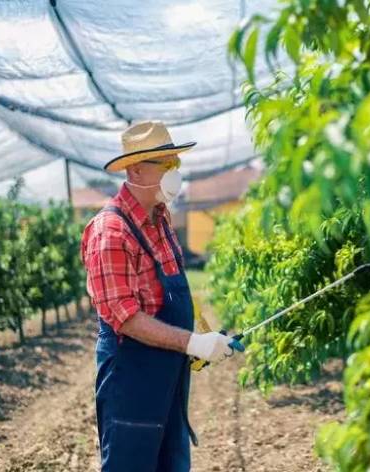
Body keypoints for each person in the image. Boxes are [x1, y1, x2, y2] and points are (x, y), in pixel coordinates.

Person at [80, 121, 243, 472]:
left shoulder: (161, 218)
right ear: (136, 169)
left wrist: (201, 337)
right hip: (132, 379)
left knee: (172, 463)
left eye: (176, 163)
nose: (175, 171)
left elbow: (171, 293)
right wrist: (191, 343)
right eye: (166, 163)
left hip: (168, 374)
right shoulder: (111, 232)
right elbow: (125, 317)